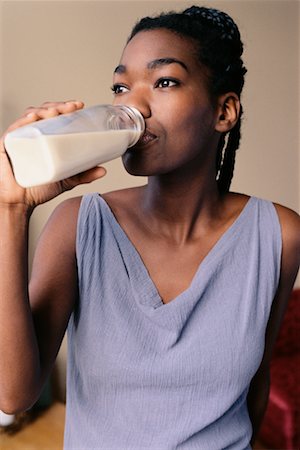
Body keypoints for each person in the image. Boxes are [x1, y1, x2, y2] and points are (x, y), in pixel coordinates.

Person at [0, 5, 299, 449]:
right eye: (121, 86)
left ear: (225, 112)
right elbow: (14, 395)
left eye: (164, 82)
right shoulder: (79, 225)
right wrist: (11, 212)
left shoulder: (278, 234)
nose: (133, 104)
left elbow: (254, 387)